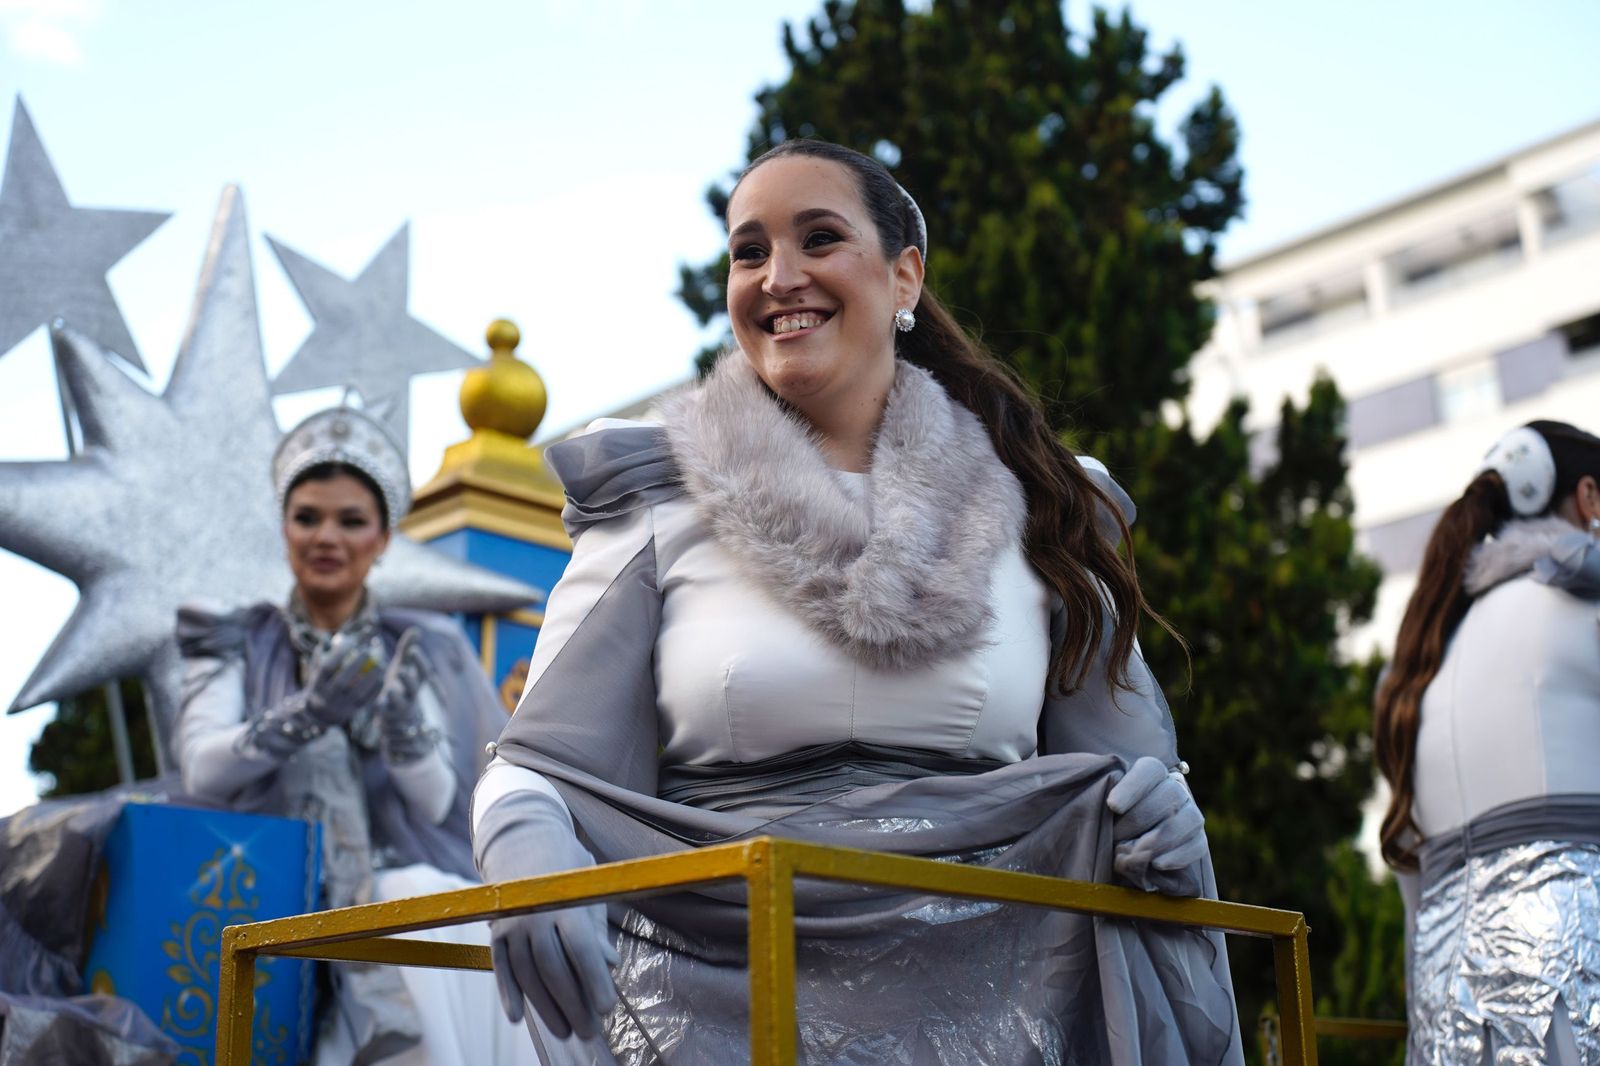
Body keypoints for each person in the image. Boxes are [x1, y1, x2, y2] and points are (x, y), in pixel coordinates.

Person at [473, 139, 1241, 1065]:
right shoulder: (654, 503)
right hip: (717, 1022)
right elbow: (539, 764)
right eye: (749, 251)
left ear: (904, 276)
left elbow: (1133, 776)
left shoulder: (1044, 511)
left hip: (998, 1025)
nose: (778, 277)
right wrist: (522, 835)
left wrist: (1163, 819)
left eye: (819, 238)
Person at [175, 406, 537, 1066]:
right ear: (284, 528)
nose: (326, 537)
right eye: (307, 517)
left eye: (350, 521)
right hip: (265, 882)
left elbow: (438, 802)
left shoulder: (419, 644)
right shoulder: (236, 640)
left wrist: (401, 730)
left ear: (383, 538)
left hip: (398, 883)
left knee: (422, 906)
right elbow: (202, 768)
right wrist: (305, 714)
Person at [1375, 420, 1600, 1065]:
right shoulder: (1582, 602)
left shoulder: (1419, 662)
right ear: (1588, 497)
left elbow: (1413, 890)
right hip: (1574, 981)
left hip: (1446, 1009)